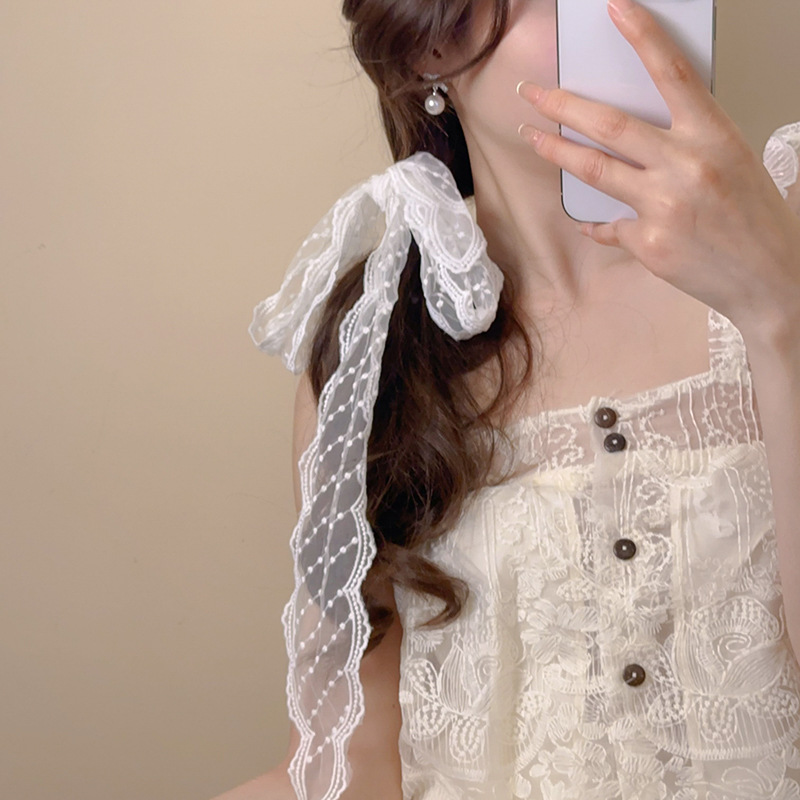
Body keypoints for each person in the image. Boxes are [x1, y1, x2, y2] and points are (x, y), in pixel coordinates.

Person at [215, 0, 800, 797]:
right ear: (429, 48)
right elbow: (347, 759)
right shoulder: (380, 350)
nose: (621, 13)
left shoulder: (786, 240)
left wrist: (779, 312)